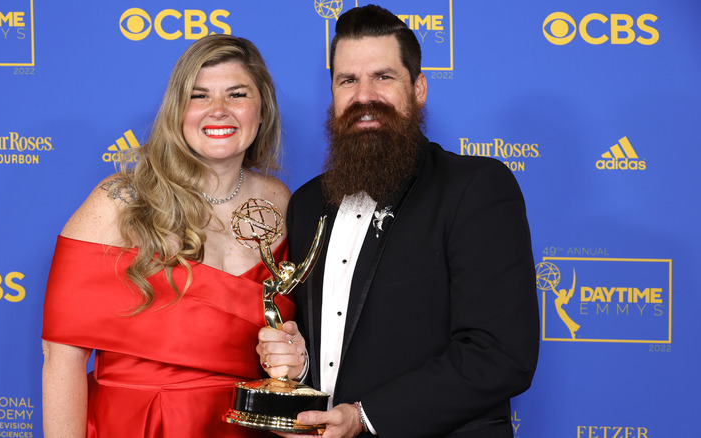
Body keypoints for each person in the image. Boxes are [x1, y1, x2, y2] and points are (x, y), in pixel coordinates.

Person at [256, 5, 539, 437]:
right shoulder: (308, 203)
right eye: (347, 80)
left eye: (383, 77)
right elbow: (336, 342)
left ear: (418, 88)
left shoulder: (476, 188)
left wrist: (364, 417)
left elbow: (499, 354)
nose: (364, 96)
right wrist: (297, 360)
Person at [41, 34, 292, 437]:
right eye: (199, 96)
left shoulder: (282, 203)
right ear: (177, 110)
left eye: (237, 94)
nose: (219, 111)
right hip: (139, 424)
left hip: (244, 427)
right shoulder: (118, 201)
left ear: (262, 110)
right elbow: (61, 356)